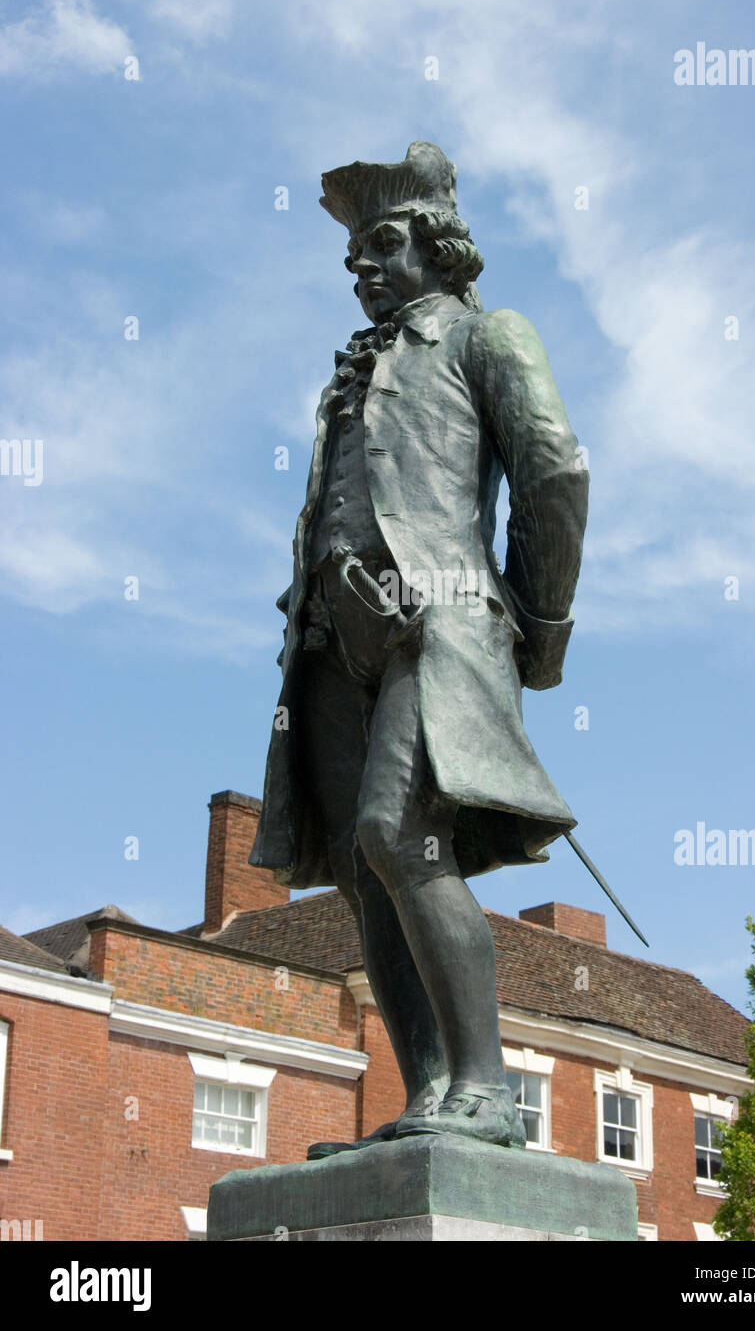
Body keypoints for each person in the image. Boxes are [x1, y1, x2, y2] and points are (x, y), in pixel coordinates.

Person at [250, 141, 588, 1153]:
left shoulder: (487, 338)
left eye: (383, 241)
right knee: (364, 866)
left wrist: (536, 627)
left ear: (438, 247)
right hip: (327, 638)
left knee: (401, 834)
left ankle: (483, 1090)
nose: (360, 262)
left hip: (435, 626)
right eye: (351, 249)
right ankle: (430, 1097)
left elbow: (554, 475)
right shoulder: (350, 367)